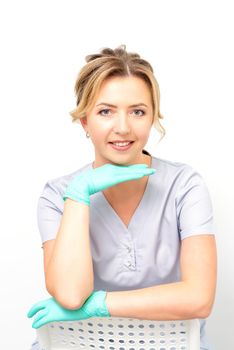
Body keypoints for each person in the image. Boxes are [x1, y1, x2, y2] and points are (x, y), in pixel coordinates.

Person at [28, 45, 217, 350]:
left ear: (152, 117)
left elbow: (199, 298)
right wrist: (78, 196)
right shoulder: (57, 195)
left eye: (138, 111)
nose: (123, 128)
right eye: (105, 111)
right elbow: (71, 294)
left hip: (174, 344)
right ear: (85, 121)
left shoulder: (184, 186)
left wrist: (102, 304)